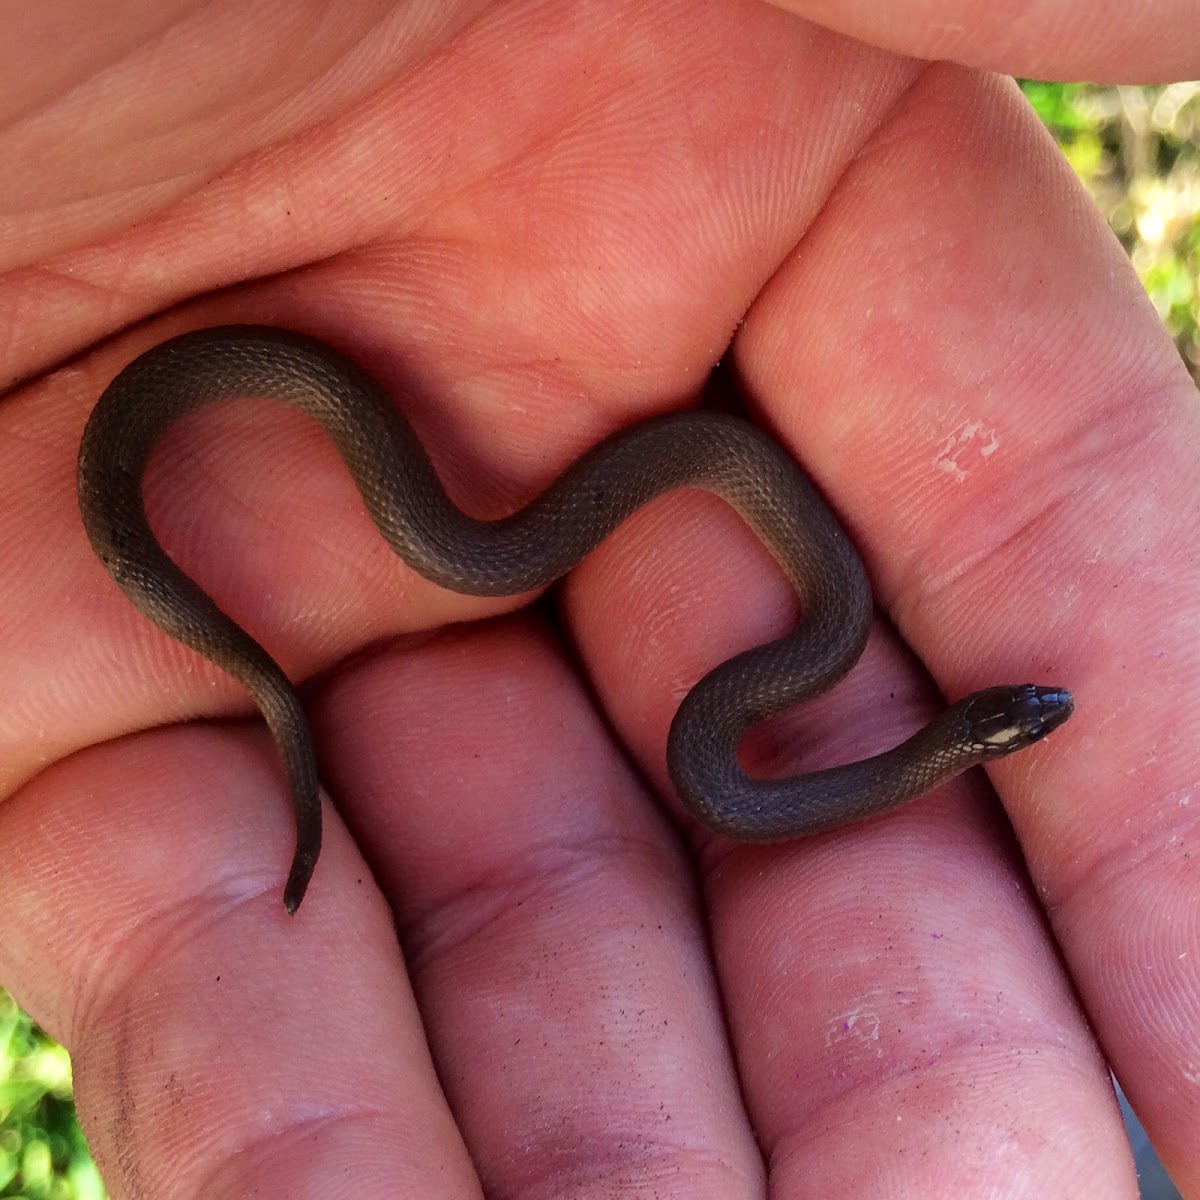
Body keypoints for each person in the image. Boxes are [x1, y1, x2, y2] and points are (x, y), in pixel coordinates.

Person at [1, 2, 1196, 1195]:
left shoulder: (822, 664)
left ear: (974, 736)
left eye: (1020, 719)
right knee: (470, 550)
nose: (1030, 710)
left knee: (483, 556)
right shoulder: (822, 645)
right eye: (1025, 710)